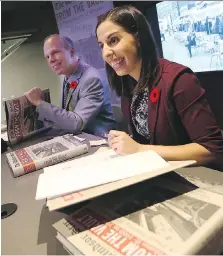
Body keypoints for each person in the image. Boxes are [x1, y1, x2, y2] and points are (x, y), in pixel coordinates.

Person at [96, 6, 223, 169]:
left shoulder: (179, 80)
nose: (106, 53)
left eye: (113, 40)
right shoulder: (128, 84)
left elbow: (211, 149)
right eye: (102, 45)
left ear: (138, 37)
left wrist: (141, 150)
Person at [25, 34, 116, 136]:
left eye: (55, 52)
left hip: (99, 141)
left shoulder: (91, 79)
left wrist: (39, 103)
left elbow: (77, 124)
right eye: (47, 56)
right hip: (78, 137)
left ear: (71, 52)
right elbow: (67, 114)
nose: (51, 60)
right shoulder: (66, 75)